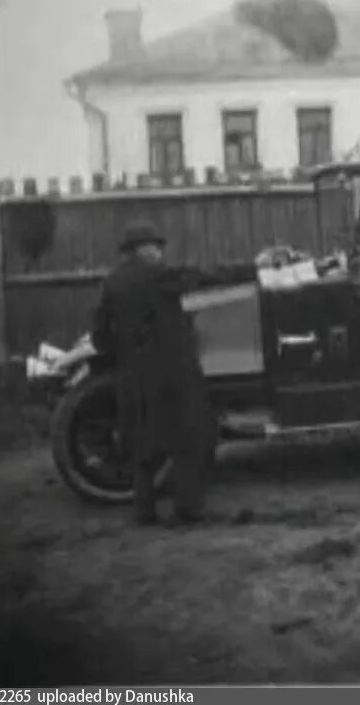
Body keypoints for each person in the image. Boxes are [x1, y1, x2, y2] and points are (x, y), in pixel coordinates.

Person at [91, 222, 211, 525]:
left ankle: (144, 512)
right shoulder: (160, 275)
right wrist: (255, 268)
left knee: (143, 446)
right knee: (187, 439)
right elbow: (200, 277)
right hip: (173, 373)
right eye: (155, 247)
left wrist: (126, 352)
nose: (159, 252)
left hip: (134, 375)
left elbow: (99, 337)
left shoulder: (112, 282)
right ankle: (187, 509)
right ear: (142, 249)